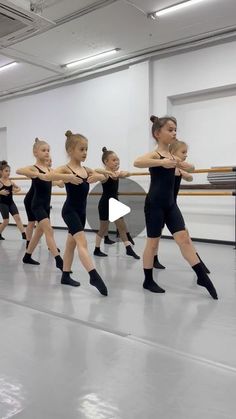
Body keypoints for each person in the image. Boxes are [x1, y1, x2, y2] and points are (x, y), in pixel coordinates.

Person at [133, 115, 218, 299]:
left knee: (184, 239)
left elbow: (192, 169)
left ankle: (201, 277)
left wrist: (183, 163)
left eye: (175, 129)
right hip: (154, 204)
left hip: (170, 205)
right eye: (170, 129)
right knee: (153, 244)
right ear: (157, 133)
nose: (174, 132)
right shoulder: (156, 154)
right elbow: (137, 162)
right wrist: (161, 162)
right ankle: (148, 280)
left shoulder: (173, 156)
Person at [46, 130, 108, 295]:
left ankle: (65, 275)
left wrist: (98, 177)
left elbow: (105, 176)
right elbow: (48, 176)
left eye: (86, 149)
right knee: (82, 242)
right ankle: (93, 276)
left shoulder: (86, 169)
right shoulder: (66, 169)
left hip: (81, 212)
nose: (85, 153)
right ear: (70, 151)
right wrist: (67, 178)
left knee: (70, 244)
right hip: (70, 211)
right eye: (81, 149)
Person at [17, 138, 78, 269]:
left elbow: (56, 183)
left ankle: (27, 256)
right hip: (37, 205)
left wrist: (63, 181)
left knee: (39, 232)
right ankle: (58, 261)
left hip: (46, 205)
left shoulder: (50, 170)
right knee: (49, 230)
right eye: (43, 150)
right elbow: (19, 171)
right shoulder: (34, 168)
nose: (47, 153)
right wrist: (37, 174)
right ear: (35, 152)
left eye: (48, 150)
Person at [94, 147, 140, 259]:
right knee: (103, 228)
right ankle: (97, 249)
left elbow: (128, 173)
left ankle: (128, 249)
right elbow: (97, 170)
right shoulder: (105, 175)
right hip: (105, 204)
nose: (117, 162)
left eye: (117, 160)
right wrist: (108, 172)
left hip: (115, 203)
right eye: (114, 160)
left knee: (121, 226)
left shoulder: (116, 173)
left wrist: (120, 173)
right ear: (106, 162)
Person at [0, 160, 26, 240]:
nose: (8, 173)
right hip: (2, 203)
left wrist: (15, 190)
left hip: (11, 203)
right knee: (6, 221)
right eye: (6, 171)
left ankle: (24, 234)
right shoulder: (0, 182)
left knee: (17, 217)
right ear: (1, 172)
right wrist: (0, 192)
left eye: (9, 171)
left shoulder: (10, 182)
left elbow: (18, 188)